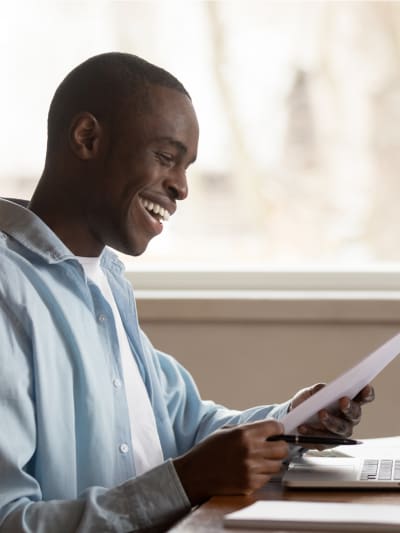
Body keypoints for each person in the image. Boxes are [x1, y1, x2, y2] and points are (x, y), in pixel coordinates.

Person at [0, 52, 374, 532]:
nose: (180, 186)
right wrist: (184, 483)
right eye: (165, 157)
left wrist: (293, 420)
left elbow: (187, 426)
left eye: (187, 166)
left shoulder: (105, 281)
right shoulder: (10, 291)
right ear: (87, 138)